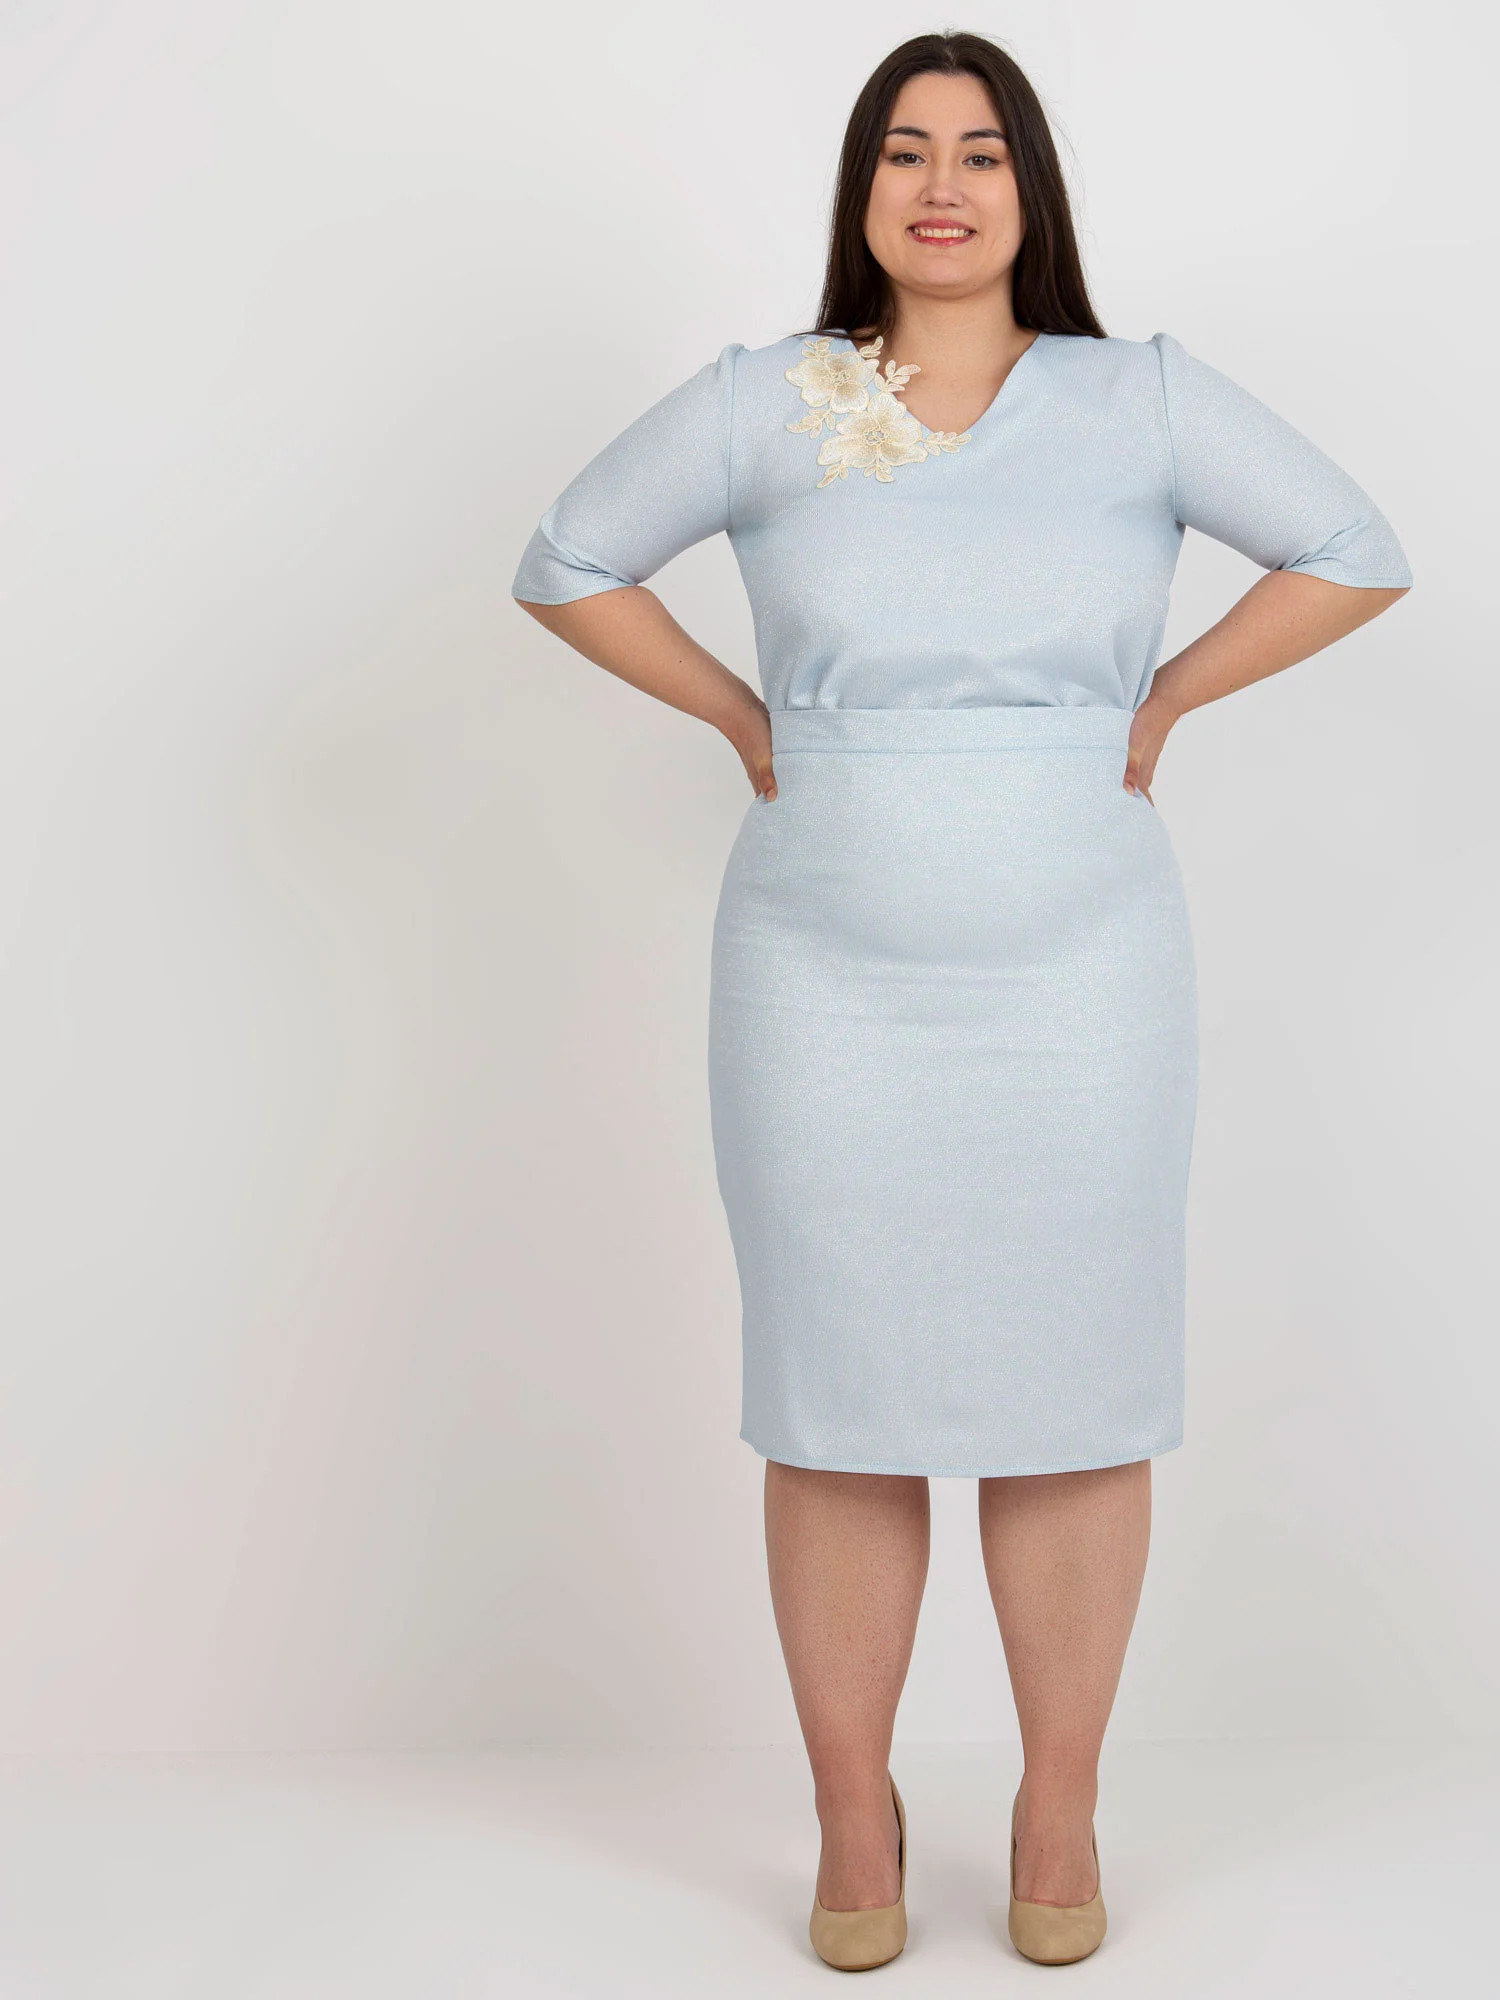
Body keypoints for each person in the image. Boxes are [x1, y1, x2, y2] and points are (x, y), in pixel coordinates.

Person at [511, 28, 1410, 1971]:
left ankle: (1058, 1799)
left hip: (1084, 980)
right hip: (820, 981)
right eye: (906, 150)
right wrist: (741, 712)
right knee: (836, 1400)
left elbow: (1359, 548)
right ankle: (855, 1813)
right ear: (861, 188)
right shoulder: (775, 399)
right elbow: (565, 555)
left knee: (1074, 1392)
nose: (943, 185)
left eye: (982, 152)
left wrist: (1165, 698)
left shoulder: (1136, 397)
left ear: (1030, 189)